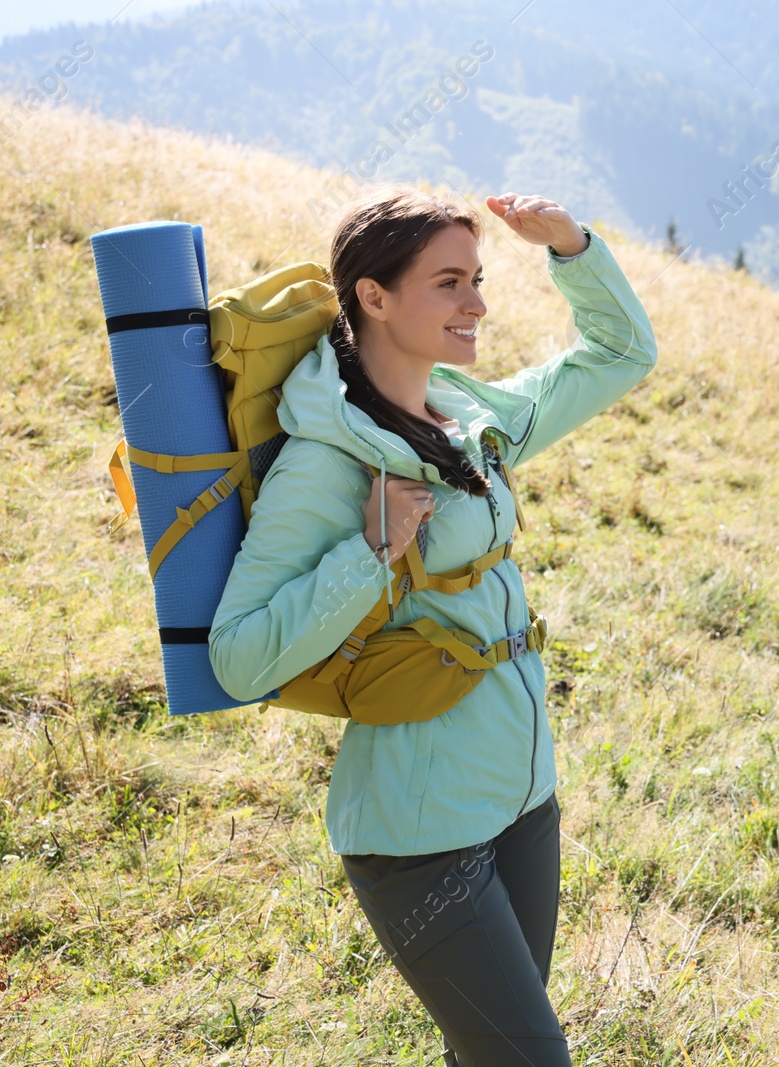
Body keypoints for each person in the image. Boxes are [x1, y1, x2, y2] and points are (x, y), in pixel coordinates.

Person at [208, 184, 658, 1064]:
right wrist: (368, 549)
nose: (478, 304)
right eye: (449, 282)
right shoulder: (323, 461)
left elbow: (621, 353)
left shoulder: (472, 419)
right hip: (420, 833)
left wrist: (573, 248)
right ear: (372, 297)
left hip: (524, 794)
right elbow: (237, 655)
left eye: (479, 277)